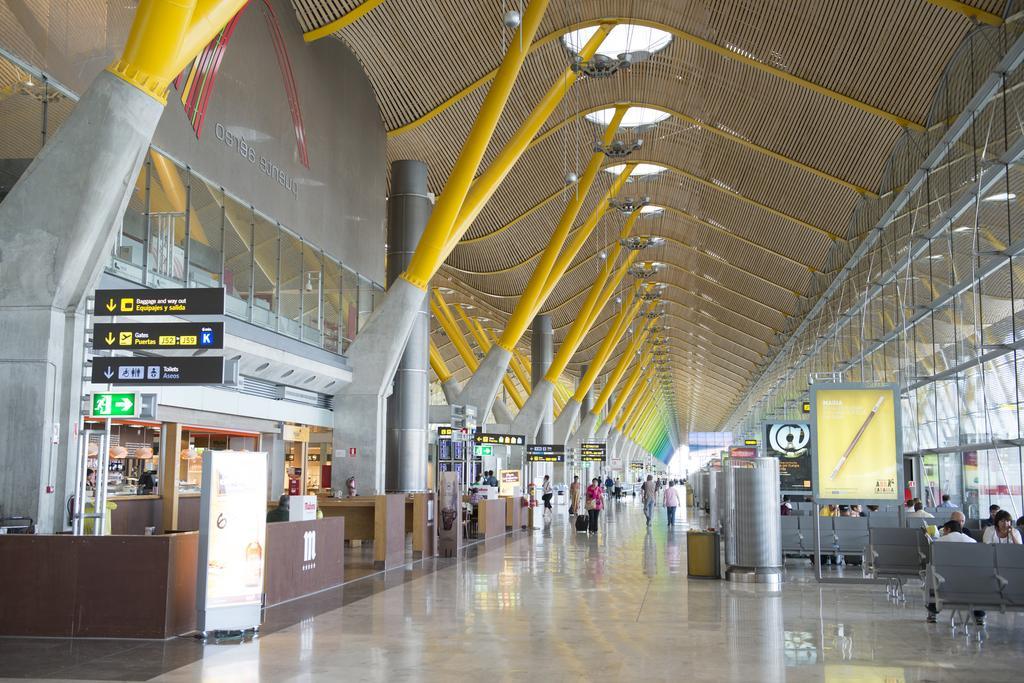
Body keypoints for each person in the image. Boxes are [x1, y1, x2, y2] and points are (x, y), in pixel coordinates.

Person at [926, 520, 985, 625]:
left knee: (932, 576)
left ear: (948, 529)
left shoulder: (939, 542)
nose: (943, 533)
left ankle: (932, 613)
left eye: (944, 530)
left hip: (945, 581)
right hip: (970, 582)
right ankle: (979, 616)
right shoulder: (972, 541)